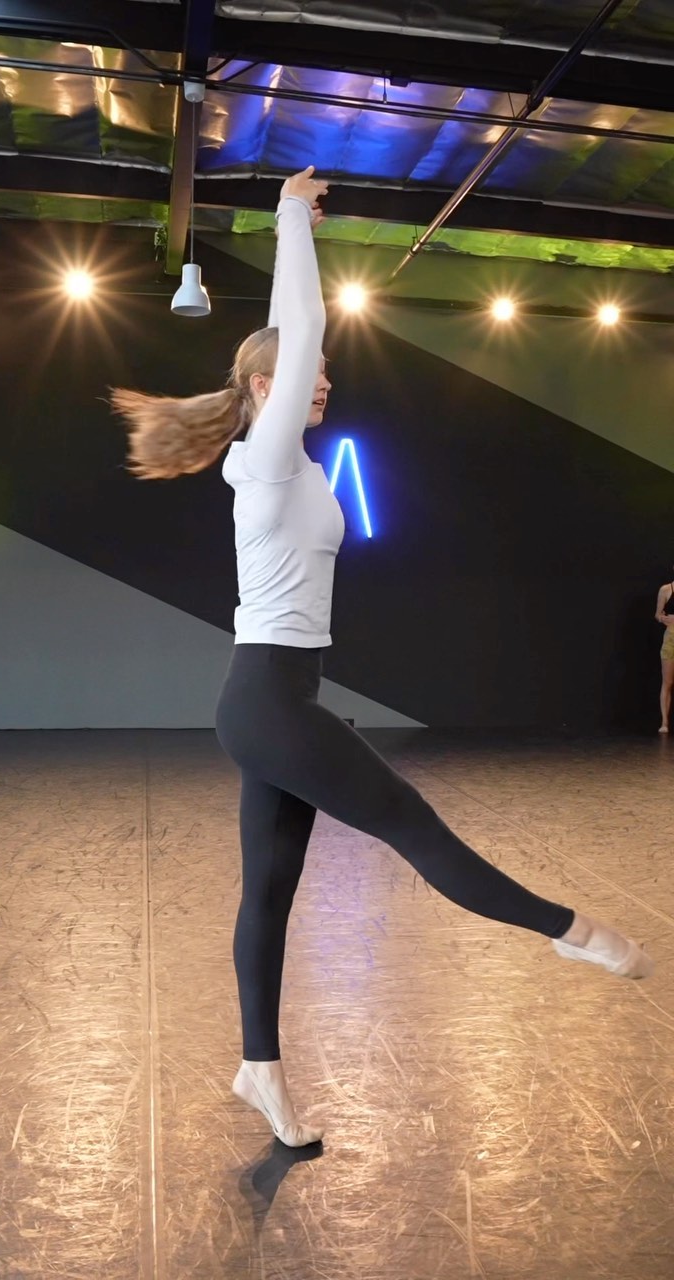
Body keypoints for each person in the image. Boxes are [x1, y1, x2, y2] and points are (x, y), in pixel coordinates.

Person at [111, 166, 654, 1150]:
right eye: (309, 373)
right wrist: (290, 217)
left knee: (269, 889)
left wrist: (296, 234)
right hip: (271, 701)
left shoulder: (286, 466)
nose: (325, 380)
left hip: (268, 698)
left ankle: (260, 1067)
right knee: (412, 825)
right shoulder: (268, 459)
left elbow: (297, 336)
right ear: (267, 387)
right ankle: (569, 930)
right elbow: (302, 325)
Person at [655, 571, 674, 733]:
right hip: (671, 639)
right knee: (667, 681)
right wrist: (662, 618)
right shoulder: (666, 589)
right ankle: (664, 722)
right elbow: (657, 614)